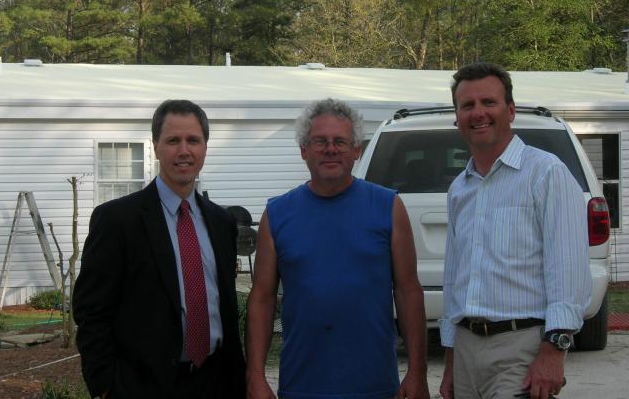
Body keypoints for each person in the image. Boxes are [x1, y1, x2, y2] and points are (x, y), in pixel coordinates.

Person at [246, 98, 430, 399]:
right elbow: (262, 299)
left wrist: (417, 372)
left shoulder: (388, 207)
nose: (331, 149)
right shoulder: (277, 214)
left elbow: (409, 290)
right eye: (320, 141)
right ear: (303, 149)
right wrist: (254, 376)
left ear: (356, 150)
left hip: (375, 385)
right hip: (302, 385)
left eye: (341, 142)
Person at [73, 99, 246, 399]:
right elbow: (91, 312)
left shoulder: (221, 221)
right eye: (172, 141)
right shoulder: (117, 220)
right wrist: (104, 386)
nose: (184, 151)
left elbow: (225, 309)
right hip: (143, 386)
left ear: (205, 146)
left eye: (193, 140)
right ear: (155, 146)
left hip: (217, 382)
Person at [439, 63, 592, 399]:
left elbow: (567, 269)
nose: (478, 113)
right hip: (465, 350)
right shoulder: (459, 190)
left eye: (488, 102)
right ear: (457, 117)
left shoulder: (546, 173)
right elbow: (454, 280)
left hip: (520, 351)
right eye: (467, 106)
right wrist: (451, 362)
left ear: (510, 110)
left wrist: (555, 351)